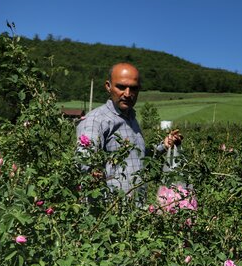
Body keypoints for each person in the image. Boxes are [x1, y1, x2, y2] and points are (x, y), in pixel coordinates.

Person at [76, 63, 182, 195]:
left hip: (134, 208)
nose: (127, 93)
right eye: (121, 87)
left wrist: (164, 146)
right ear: (108, 87)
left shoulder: (132, 119)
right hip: (110, 209)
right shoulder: (96, 120)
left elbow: (137, 159)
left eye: (133, 88)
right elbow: (85, 163)